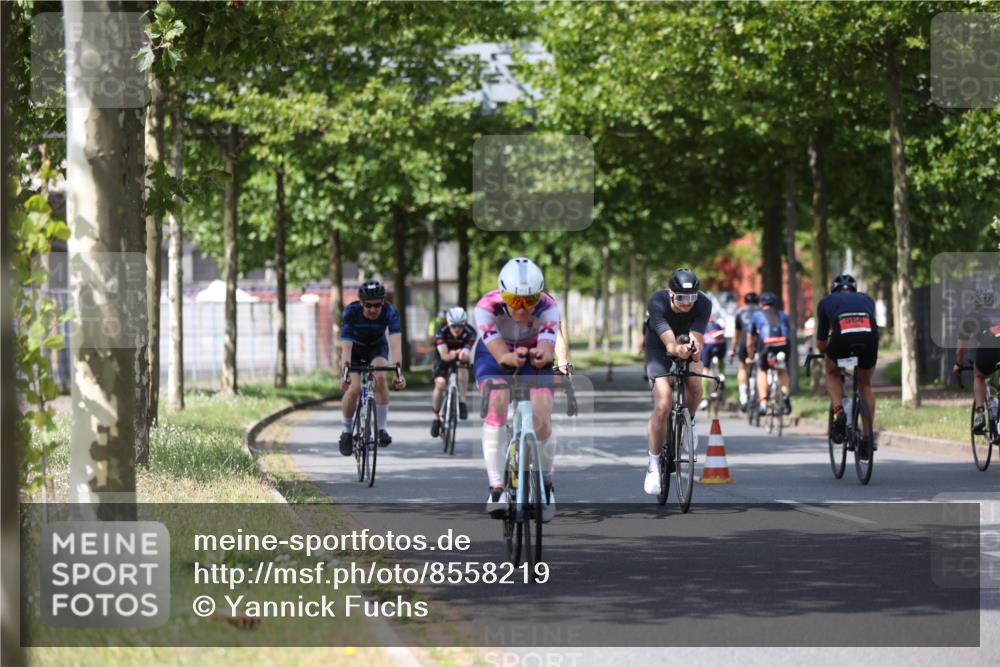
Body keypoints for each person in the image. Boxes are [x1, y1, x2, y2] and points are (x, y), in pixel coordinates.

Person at [475, 257, 560, 522]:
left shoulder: (549, 306)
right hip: (493, 355)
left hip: (532, 353)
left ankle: (546, 483)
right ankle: (497, 487)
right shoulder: (485, 306)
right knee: (498, 400)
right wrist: (512, 357)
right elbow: (501, 355)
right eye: (514, 300)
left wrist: (541, 356)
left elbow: (548, 350)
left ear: (540, 295)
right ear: (503, 294)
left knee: (542, 412)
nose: (521, 308)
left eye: (530, 299)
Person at [643, 268, 711, 496]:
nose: (687, 303)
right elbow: (670, 345)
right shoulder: (657, 302)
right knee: (663, 402)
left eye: (692, 298)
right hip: (659, 346)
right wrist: (677, 349)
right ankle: (653, 465)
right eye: (681, 297)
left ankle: (688, 422)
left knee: (696, 385)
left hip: (686, 342)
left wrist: (694, 350)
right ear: (671, 293)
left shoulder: (704, 303)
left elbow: (697, 340)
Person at [338, 280, 406, 456]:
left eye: (377, 305)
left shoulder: (390, 311)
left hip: (376, 348)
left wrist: (399, 374)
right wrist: (344, 373)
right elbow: (346, 347)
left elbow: (396, 346)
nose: (374, 309)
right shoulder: (350, 312)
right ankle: (346, 432)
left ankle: (382, 429)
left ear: (383, 302)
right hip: (355, 349)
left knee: (381, 377)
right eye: (368, 305)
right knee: (354, 388)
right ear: (361, 303)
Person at [815, 274, 878, 451]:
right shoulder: (867, 299)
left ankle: (839, 412)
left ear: (833, 290)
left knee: (832, 372)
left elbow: (821, 343)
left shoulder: (826, 302)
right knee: (865, 384)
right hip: (869, 336)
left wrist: (826, 352)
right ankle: (867, 439)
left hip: (841, 335)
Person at [954, 288, 1000, 435]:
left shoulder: (971, 318)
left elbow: (961, 350)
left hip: (989, 348)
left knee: (979, 375)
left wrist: (959, 365)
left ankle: (980, 415)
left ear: (975, 304)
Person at [430, 306, 476, 436]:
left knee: (463, 366)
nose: (457, 329)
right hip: (442, 358)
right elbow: (444, 356)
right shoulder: (441, 332)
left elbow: (465, 354)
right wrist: (457, 353)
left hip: (458, 357)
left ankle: (462, 401)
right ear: (448, 323)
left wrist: (462, 354)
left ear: (465, 324)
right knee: (440, 384)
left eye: (460, 326)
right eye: (454, 326)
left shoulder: (471, 332)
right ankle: (436, 417)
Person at [748, 291, 792, 417]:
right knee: (782, 369)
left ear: (761, 304)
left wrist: (751, 354)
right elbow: (787, 332)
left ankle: (763, 403)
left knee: (762, 369)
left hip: (766, 344)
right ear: (774, 304)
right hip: (783, 344)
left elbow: (750, 339)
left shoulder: (757, 315)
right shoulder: (782, 314)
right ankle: (785, 396)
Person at [729, 291, 760, 412]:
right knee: (761, 369)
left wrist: (732, 349)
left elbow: (736, 335)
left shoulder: (740, 312)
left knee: (742, 367)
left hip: (743, 341)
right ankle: (756, 394)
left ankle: (743, 398)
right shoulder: (761, 311)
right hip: (759, 342)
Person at [699, 312, 727, 410]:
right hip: (721, 346)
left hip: (708, 347)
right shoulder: (718, 325)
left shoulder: (703, 326)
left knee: (705, 370)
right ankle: (722, 376)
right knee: (721, 360)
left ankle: (705, 398)